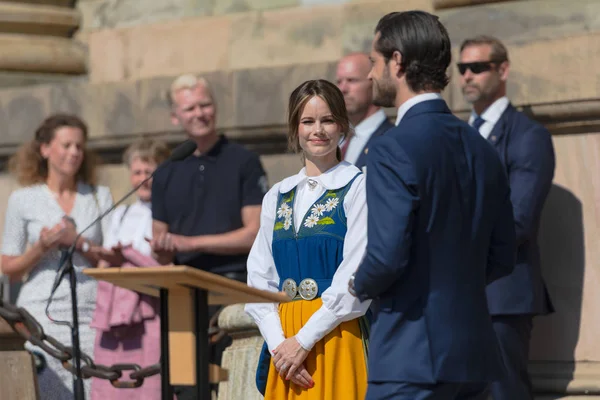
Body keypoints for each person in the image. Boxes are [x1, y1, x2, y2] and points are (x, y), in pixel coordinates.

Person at [349, 11, 516, 400]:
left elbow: (386, 257)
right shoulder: (481, 147)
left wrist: (356, 284)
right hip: (472, 356)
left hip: (411, 356)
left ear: (397, 61)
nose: (371, 75)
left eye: (374, 62)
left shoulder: (393, 146)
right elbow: (503, 256)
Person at [245, 79, 370, 400]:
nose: (318, 130)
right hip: (284, 341)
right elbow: (259, 277)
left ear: (342, 125)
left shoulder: (358, 186)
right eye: (308, 121)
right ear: (295, 128)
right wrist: (279, 346)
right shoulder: (278, 195)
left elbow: (357, 275)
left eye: (327, 120)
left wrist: (303, 341)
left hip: (336, 333)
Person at [149, 74, 268, 398]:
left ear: (215, 108)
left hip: (234, 289)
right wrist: (161, 249)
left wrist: (190, 243)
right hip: (183, 296)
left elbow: (254, 232)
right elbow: (161, 245)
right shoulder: (165, 172)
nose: (199, 113)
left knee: (235, 386)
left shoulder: (243, 160)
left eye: (205, 105)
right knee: (188, 391)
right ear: (176, 116)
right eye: (190, 108)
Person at [458, 35, 556, 400]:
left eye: (478, 67)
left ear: (502, 70)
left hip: (500, 296)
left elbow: (518, 221)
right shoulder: (457, 134)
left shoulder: (528, 135)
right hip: (454, 295)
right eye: (462, 68)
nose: (468, 75)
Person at [1, 114, 113, 399]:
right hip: (41, 313)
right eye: (66, 145)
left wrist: (78, 243)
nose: (74, 152)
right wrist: (41, 246)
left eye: (79, 146)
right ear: (45, 149)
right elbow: (9, 268)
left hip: (90, 310)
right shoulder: (23, 199)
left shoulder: (99, 195)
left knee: (94, 387)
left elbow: (112, 258)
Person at [90, 139, 171, 400]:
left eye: (149, 172)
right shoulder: (121, 214)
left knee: (151, 379)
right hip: (116, 309)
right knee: (113, 377)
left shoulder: (168, 211)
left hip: (152, 305)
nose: (143, 179)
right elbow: (105, 262)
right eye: (137, 172)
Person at [336, 52, 393, 170]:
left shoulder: (392, 139)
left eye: (351, 80)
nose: (342, 89)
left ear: (373, 83)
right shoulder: (336, 142)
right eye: (339, 82)